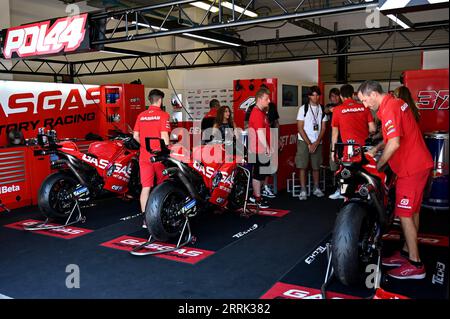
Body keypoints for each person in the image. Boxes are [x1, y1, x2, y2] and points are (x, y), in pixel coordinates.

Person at [357, 80, 433, 280]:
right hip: (417, 165)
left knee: (405, 214)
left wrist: (379, 164)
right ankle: (408, 251)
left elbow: (395, 143)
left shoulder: (390, 107)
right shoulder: (394, 103)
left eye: (365, 100)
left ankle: (416, 264)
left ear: (373, 94)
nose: (365, 105)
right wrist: (376, 148)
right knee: (413, 210)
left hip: (412, 168)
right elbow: (392, 135)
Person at [330, 84, 376, 200]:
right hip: (364, 150)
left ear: (341, 96)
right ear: (353, 94)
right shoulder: (364, 107)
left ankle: (347, 201)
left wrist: (333, 151)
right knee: (365, 175)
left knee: (347, 176)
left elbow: (335, 133)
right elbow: (373, 129)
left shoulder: (337, 110)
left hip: (348, 150)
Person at [133, 89, 171, 227]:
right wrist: (167, 151)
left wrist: (145, 146)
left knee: (146, 187)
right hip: (159, 156)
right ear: (160, 100)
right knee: (164, 185)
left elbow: (135, 136)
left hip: (144, 155)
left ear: (150, 100)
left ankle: (145, 219)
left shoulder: (141, 115)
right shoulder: (163, 115)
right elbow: (164, 137)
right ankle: (161, 213)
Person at [296, 86, 328, 200]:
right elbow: (300, 128)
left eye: (318, 95)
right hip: (304, 141)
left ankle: (316, 188)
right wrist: (309, 144)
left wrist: (316, 142)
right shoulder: (303, 109)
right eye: (314, 95)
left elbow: (323, 128)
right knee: (302, 166)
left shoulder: (322, 109)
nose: (316, 97)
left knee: (316, 167)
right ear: (309, 96)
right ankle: (303, 190)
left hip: (317, 142)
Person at [248, 87, 273, 208]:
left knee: (263, 173)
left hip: (261, 148)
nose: (269, 101)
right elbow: (260, 132)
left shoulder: (261, 112)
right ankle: (257, 198)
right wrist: (267, 147)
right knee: (258, 174)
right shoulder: (256, 113)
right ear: (259, 99)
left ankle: (256, 195)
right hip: (257, 149)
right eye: (266, 99)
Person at [325, 88, 343, 199]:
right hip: (334, 140)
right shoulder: (330, 106)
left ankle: (343, 189)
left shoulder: (343, 105)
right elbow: (327, 110)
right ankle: (338, 188)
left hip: (345, 140)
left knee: (344, 165)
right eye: (332, 96)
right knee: (334, 165)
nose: (335, 98)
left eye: (337, 96)